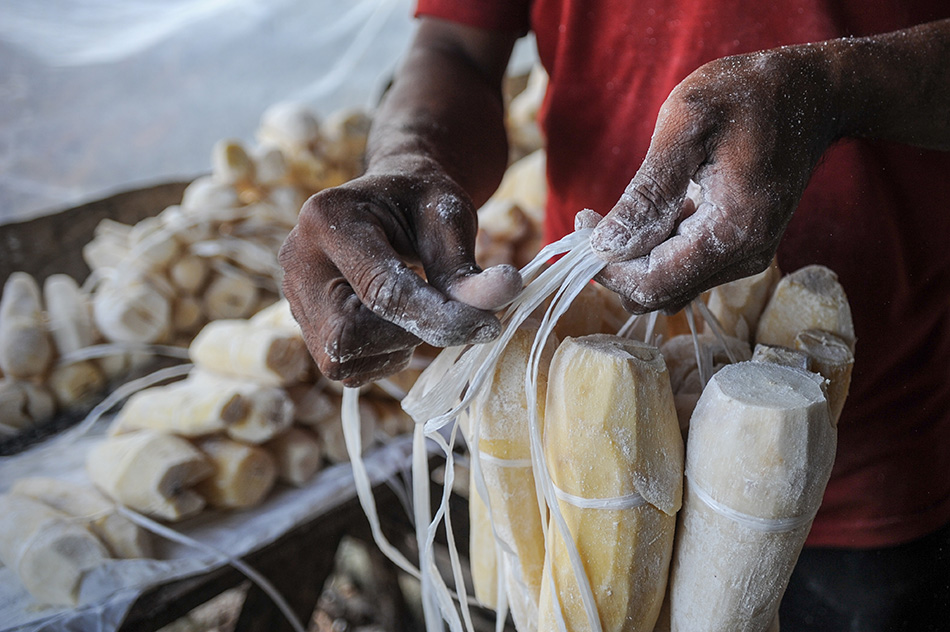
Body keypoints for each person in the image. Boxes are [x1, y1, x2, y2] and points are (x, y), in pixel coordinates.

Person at [279, 1, 950, 628]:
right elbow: (457, 42)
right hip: (572, 412)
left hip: (878, 423)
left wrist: (836, 86)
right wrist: (409, 157)